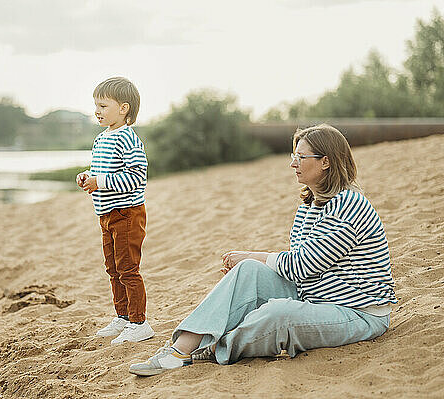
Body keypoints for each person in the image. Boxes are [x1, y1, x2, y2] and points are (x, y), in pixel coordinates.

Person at [129, 124, 397, 376]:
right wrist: (246, 269)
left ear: (326, 162)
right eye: (294, 155)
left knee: (279, 314)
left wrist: (250, 255)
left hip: (357, 312)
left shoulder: (348, 204)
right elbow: (299, 265)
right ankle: (180, 350)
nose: (293, 163)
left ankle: (210, 349)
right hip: (313, 295)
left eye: (301, 157)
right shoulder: (310, 203)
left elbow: (303, 265)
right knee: (249, 271)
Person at [76, 77, 154, 344]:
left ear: (123, 108)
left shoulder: (128, 138)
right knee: (113, 269)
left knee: (128, 269)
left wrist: (102, 182)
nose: (97, 110)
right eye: (95, 105)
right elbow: (102, 173)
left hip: (127, 214)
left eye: (103, 105)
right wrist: (88, 177)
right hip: (106, 214)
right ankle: (122, 317)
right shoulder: (101, 138)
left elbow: (137, 176)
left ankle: (139, 322)